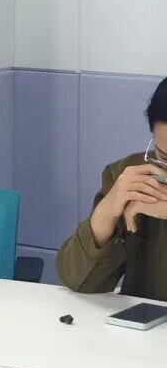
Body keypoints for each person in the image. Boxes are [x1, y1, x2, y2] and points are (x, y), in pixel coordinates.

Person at [57, 76, 167, 299]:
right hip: (142, 321)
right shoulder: (131, 176)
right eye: (164, 156)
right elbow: (78, 281)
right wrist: (106, 213)